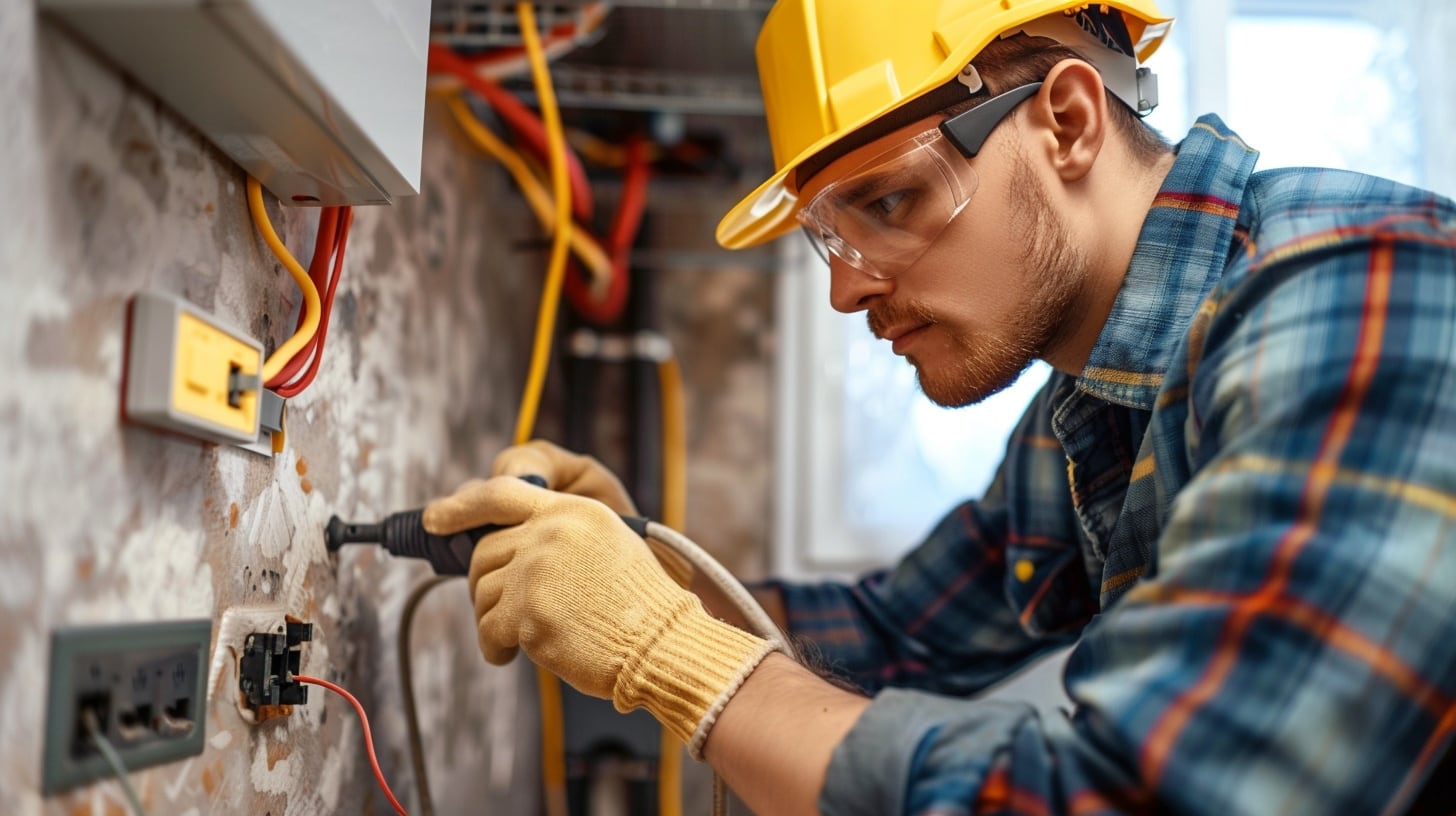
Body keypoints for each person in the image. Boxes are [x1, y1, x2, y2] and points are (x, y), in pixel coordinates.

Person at [423, 1, 1456, 812]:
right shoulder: (1094, 401)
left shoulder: (1365, 297)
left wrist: (670, 654)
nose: (846, 287)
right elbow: (901, 631)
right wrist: (645, 571)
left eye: (887, 202)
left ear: (1065, 122)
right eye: (827, 235)